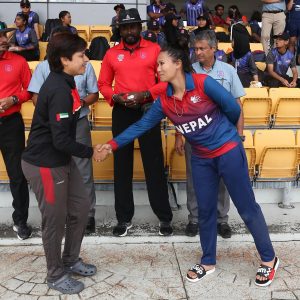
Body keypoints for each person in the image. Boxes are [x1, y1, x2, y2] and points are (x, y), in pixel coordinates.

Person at [96, 35, 279, 288]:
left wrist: (223, 133)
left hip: (227, 151)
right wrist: (111, 144)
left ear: (178, 64)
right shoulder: (164, 102)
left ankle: (269, 260)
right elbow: (141, 125)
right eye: (157, 65)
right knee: (204, 211)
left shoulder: (204, 83)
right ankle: (207, 262)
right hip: (202, 158)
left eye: (161, 64)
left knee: (247, 208)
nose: (157, 68)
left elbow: (234, 109)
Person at [21, 33, 98, 294]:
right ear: (65, 60)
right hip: (45, 164)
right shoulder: (58, 90)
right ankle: (55, 274)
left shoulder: (66, 83)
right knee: (54, 221)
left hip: (62, 160)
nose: (86, 60)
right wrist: (91, 151)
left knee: (81, 206)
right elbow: (62, 140)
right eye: (81, 56)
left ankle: (70, 259)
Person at [98, 8, 173, 237]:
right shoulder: (111, 54)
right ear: (119, 29)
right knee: (122, 165)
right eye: (125, 27)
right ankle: (123, 219)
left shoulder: (154, 50)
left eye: (133, 26)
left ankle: (164, 218)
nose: (129, 31)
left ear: (140, 28)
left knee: (153, 163)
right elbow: (103, 84)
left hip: (148, 110)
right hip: (122, 111)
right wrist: (115, 97)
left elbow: (166, 82)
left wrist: (146, 95)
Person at [27, 26, 99, 234]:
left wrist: (77, 104)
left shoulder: (85, 66)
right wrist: (60, 109)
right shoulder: (43, 68)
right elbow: (35, 97)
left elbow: (94, 94)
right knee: (57, 172)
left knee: (83, 171)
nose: (85, 59)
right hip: (53, 128)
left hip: (79, 122)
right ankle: (63, 216)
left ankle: (88, 215)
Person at [179, 30, 245, 237]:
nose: (197, 52)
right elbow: (180, 107)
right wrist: (179, 135)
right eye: (195, 48)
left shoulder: (228, 71)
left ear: (214, 49)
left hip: (223, 136)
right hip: (196, 135)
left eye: (201, 48)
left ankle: (221, 220)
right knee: (194, 179)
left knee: (222, 180)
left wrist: (239, 135)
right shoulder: (189, 73)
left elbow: (237, 104)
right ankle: (194, 219)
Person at [0, 22, 32, 240]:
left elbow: (30, 90)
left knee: (17, 176)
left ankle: (20, 221)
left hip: (11, 123)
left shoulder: (19, 61)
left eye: (4, 35)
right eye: (0, 37)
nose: (4, 40)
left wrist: (14, 98)